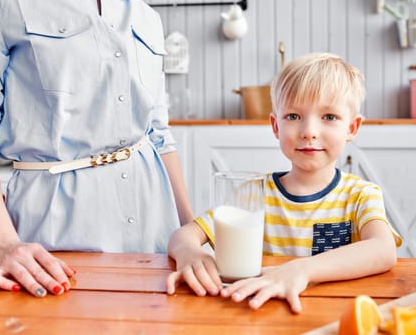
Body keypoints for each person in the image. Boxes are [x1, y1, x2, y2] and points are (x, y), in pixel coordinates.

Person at [0, 0, 193, 298]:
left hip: (155, 221)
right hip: (58, 228)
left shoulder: (146, 16)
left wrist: (193, 233)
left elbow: (158, 133)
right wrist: (0, 243)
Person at [166, 52, 402, 313]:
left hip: (336, 316)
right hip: (263, 314)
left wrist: (300, 270)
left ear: (352, 128)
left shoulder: (361, 195)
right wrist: (190, 253)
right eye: (293, 116)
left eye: (329, 117)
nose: (309, 131)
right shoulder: (255, 194)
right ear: (275, 126)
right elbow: (183, 236)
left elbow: (383, 250)